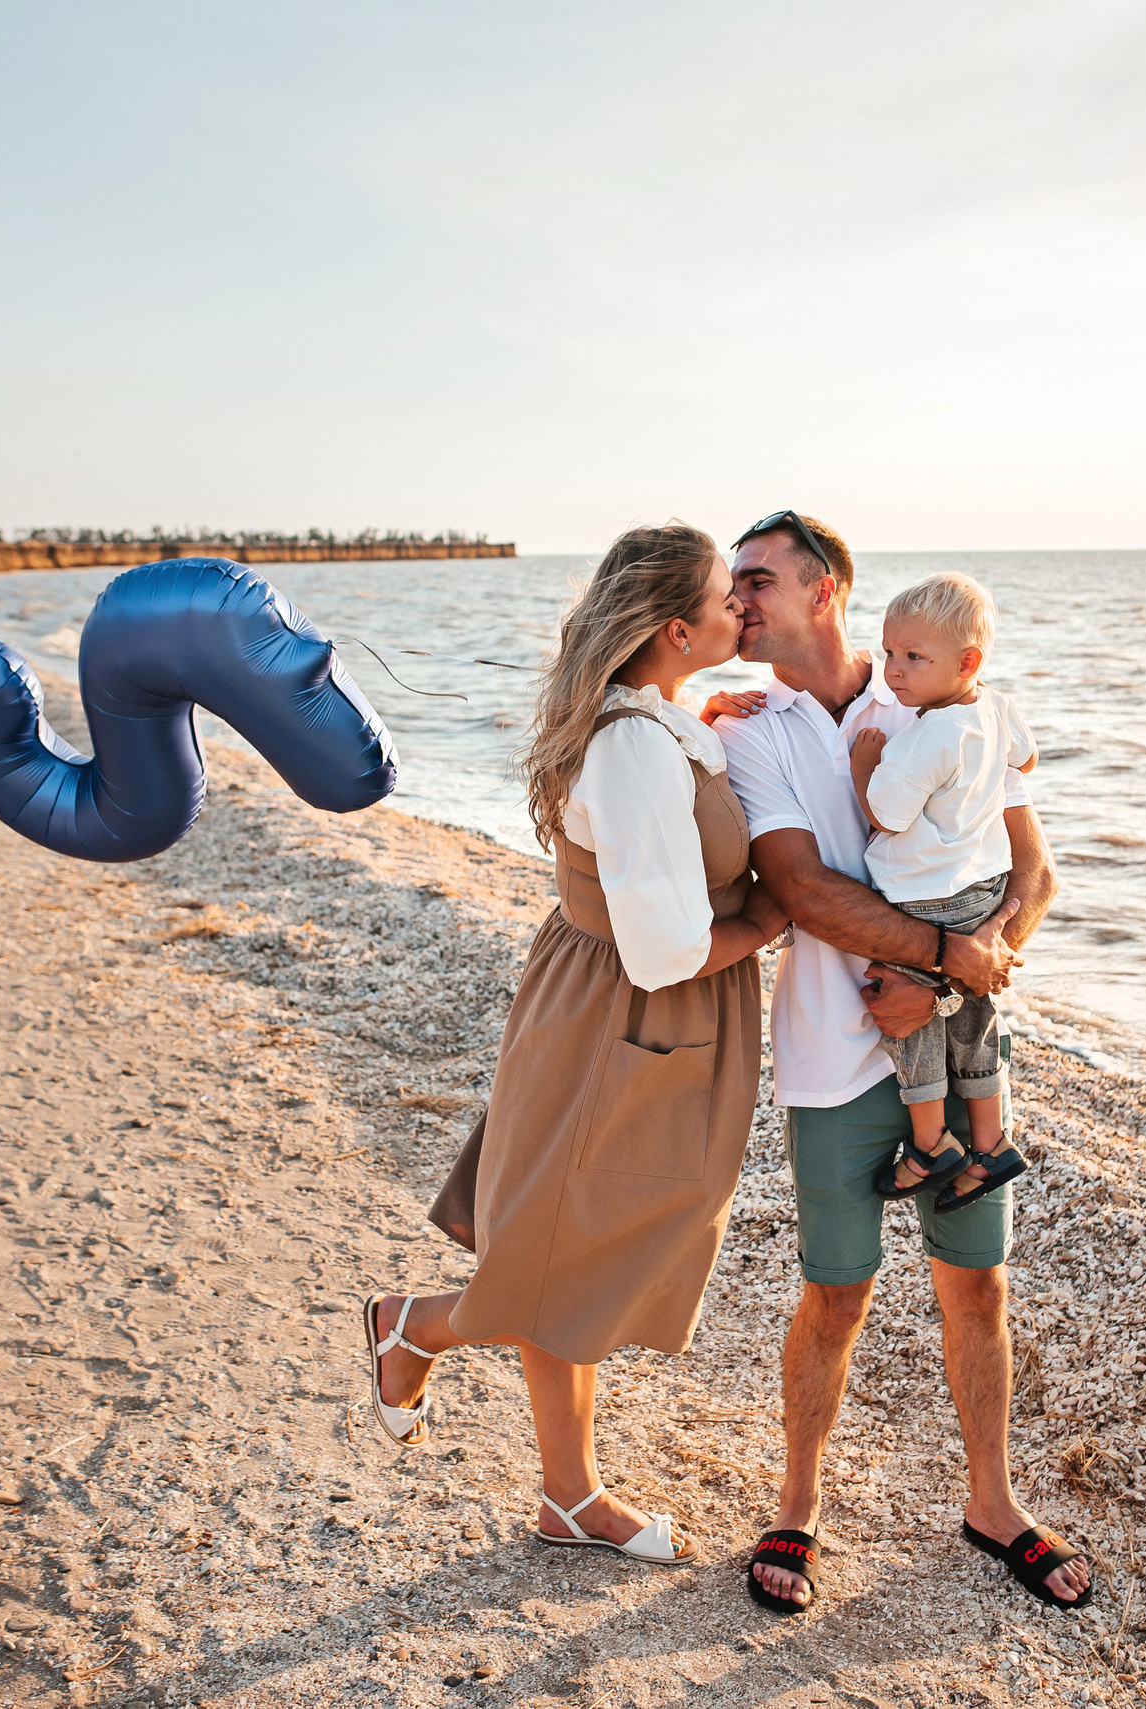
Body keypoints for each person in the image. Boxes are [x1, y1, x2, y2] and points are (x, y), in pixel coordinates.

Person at [357, 521, 789, 1564]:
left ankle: (561, 1489)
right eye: (730, 597)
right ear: (678, 627)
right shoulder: (638, 744)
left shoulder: (658, 721)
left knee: (579, 1244)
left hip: (621, 1007)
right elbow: (666, 945)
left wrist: (706, 719)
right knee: (571, 1249)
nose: (744, 609)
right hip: (627, 1012)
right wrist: (776, 919)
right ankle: (418, 1325)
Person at [710, 510, 1093, 1614]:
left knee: (978, 1282)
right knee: (834, 1292)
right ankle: (797, 1501)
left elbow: (1034, 875)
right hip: (836, 1058)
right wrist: (934, 958)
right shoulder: (746, 730)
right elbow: (801, 891)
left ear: (823, 587)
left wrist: (974, 969)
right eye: (732, 583)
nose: (736, 598)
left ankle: (991, 1500)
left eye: (757, 578)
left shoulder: (945, 692)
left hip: (965, 1035)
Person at [849, 571, 1038, 1212]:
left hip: (923, 898)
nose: (894, 673)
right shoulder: (994, 706)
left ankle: (931, 1145)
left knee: (914, 1023)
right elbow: (1026, 758)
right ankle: (990, 1143)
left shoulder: (925, 737)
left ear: (967, 661)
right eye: (888, 653)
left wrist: (864, 765)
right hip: (981, 888)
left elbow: (886, 817)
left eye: (913, 658)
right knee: (978, 1018)